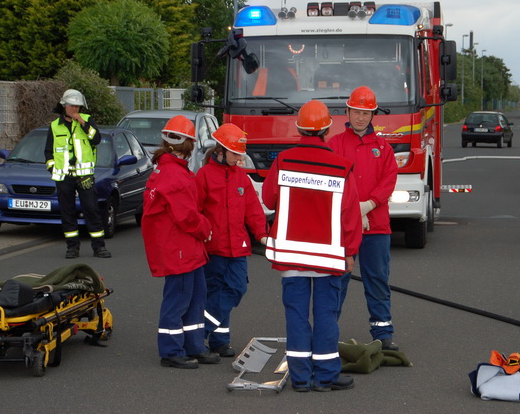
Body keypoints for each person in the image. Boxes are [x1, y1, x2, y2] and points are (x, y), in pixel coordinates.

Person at [262, 100, 362, 393]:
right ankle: (326, 376)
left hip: (291, 256)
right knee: (326, 316)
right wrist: (350, 251)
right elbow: (350, 215)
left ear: (299, 128)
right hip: (327, 257)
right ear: (328, 129)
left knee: (296, 315)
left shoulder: (283, 161)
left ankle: (301, 378)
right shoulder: (341, 166)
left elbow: (268, 199)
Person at [141, 115, 220, 369]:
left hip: (184, 247)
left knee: (195, 297)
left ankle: (193, 345)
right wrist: (206, 228)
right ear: (188, 143)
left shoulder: (168, 169)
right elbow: (187, 216)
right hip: (180, 248)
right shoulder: (174, 174)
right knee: (179, 300)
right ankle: (171, 351)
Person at [327, 86, 399, 350]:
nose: (360, 118)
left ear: (372, 116)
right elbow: (330, 181)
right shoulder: (334, 145)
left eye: (365, 113)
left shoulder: (383, 147)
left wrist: (368, 206)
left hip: (376, 226)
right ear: (347, 112)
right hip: (342, 227)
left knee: (377, 280)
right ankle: (327, 332)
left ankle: (383, 333)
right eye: (356, 112)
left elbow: (388, 181)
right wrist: (351, 209)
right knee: (337, 280)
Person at [196, 123, 269, 358]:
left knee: (236, 287)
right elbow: (195, 211)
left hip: (238, 246)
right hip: (213, 247)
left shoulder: (242, 178)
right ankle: (219, 341)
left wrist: (262, 234)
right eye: (236, 154)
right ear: (221, 150)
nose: (240, 159)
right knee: (215, 292)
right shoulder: (204, 176)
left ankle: (200, 333)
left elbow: (253, 210)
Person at [44, 89, 111, 259]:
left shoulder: (87, 120)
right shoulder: (54, 126)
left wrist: (81, 122)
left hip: (85, 176)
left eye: (77, 106)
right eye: (71, 106)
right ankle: (72, 248)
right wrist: (52, 168)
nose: (74, 109)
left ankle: (99, 247)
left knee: (92, 210)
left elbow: (96, 139)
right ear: (64, 106)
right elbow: (48, 152)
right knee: (67, 213)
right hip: (64, 177)